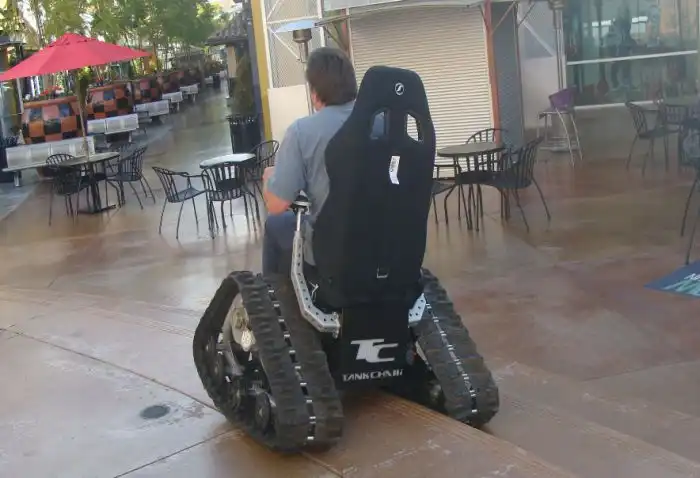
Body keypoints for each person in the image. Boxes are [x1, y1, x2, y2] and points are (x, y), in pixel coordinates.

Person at [261, 46, 358, 276]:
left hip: (333, 250)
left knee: (275, 223)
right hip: (383, 243)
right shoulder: (381, 122)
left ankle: (275, 293)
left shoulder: (301, 132)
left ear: (314, 93)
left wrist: (268, 180)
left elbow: (277, 205)